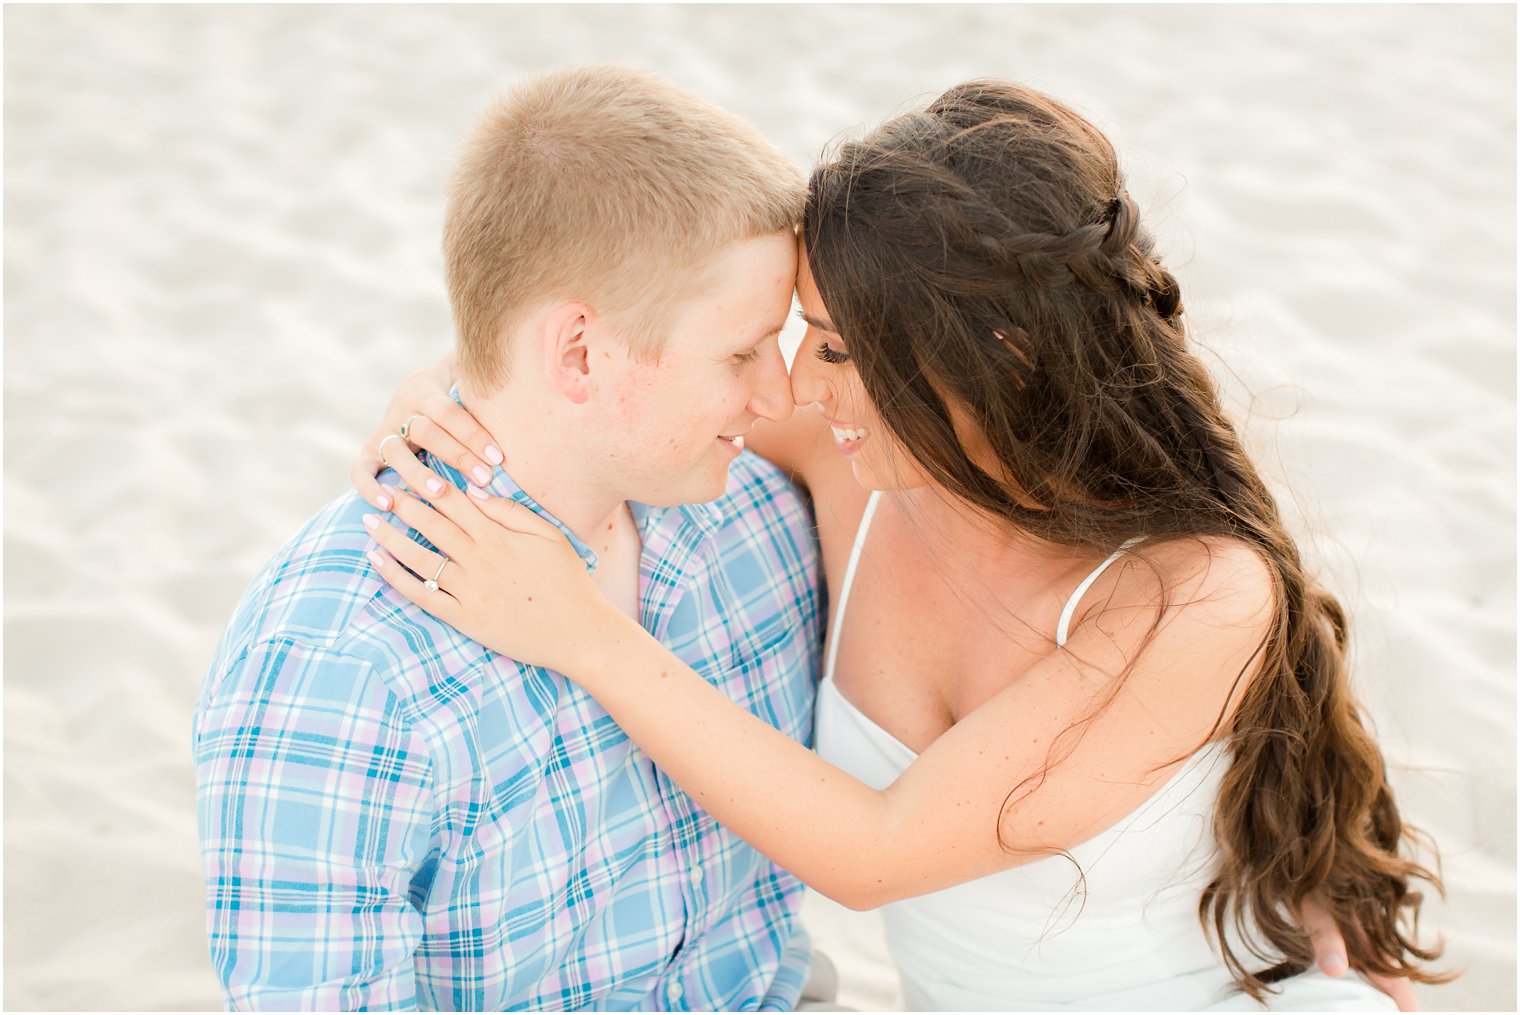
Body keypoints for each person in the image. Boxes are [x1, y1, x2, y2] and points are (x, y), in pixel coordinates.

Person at [356, 80, 1447, 1010]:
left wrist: (584, 636)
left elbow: (875, 852)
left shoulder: (1193, 593)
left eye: (833, 348)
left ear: (998, 357)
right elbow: (596, 397)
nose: (793, 385)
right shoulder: (855, 459)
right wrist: (431, 401)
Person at [194, 66, 840, 1010]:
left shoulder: (760, 514)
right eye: (741, 352)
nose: (780, 398)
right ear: (579, 350)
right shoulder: (344, 666)